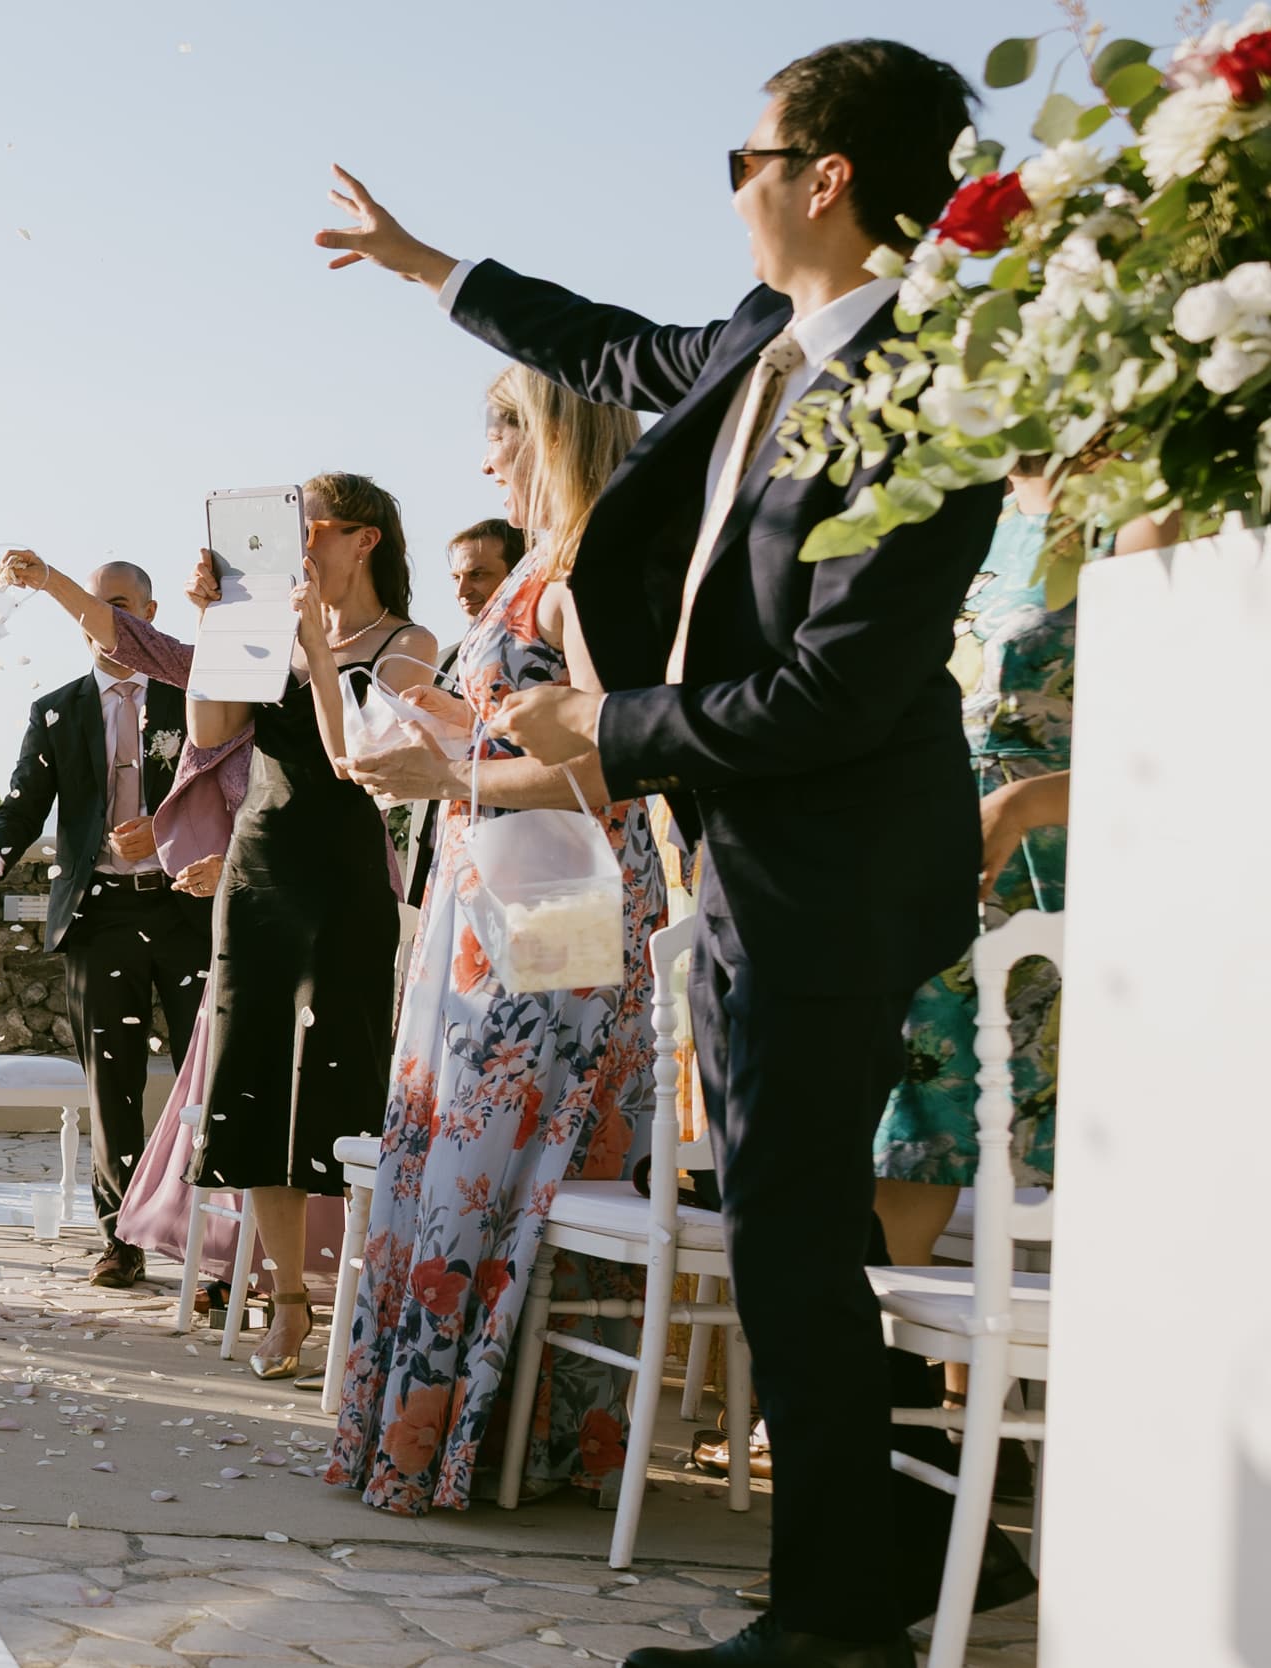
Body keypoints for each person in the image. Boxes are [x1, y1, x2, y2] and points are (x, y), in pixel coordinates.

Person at [321, 38, 1018, 1662]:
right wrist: (431, 268)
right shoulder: (769, 339)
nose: (734, 192)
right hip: (763, 852)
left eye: (745, 160)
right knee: (807, 1224)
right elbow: (608, 343)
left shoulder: (929, 389)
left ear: (824, 177)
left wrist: (608, 729)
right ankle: (938, 1549)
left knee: (785, 1234)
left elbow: (837, 690)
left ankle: (836, 1615)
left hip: (833, 862)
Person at [0, 471, 430, 1383]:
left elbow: (362, 758)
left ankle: (360, 1290)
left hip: (346, 878)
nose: (299, 544)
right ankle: (288, 1297)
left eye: (314, 528)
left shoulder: (407, 644)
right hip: (260, 871)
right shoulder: (261, 631)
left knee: (344, 1082)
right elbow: (205, 717)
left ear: (366, 540)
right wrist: (222, 625)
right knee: (255, 1085)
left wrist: (315, 648)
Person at [328, 363, 663, 1517]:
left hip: (561, 913)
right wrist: (419, 730)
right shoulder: (531, 570)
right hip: (486, 903)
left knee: (507, 1163)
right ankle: (473, 1432)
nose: (488, 460)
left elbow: (620, 758)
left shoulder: (595, 569)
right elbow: (497, 732)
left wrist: (453, 769)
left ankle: (497, 1436)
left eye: (505, 432)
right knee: (460, 1155)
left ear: (561, 433)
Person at [0, 560, 209, 1291]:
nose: (107, 621)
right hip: (100, 915)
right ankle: (120, 1237)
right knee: (112, 1084)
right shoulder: (56, 709)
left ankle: (209, 1237)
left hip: (188, 907)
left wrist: (166, 835)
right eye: (96, 608)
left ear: (150, 612)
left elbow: (224, 790)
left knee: (205, 1079)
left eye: (121, 607)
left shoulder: (193, 696)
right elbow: (22, 806)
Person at [874, 472, 1072, 1261]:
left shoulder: (1134, 518)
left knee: (1060, 1126)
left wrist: (1020, 806)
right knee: (918, 1114)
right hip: (934, 841)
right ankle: (924, 1375)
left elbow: (1184, 736)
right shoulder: (967, 524)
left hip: (1055, 853)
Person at [402, 517, 526, 904]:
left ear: (516, 575)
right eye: (455, 577)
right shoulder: (444, 659)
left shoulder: (535, 659)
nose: (462, 589)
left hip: (515, 851)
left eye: (478, 575)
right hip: (443, 848)